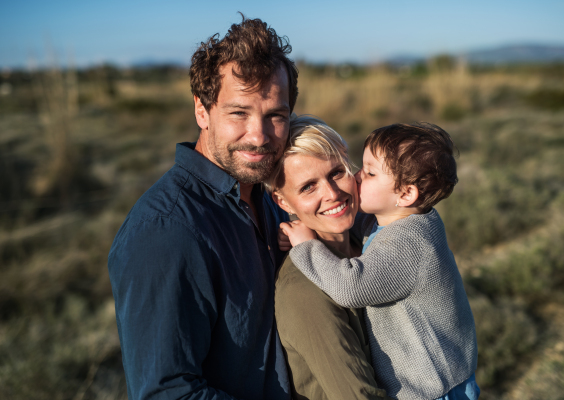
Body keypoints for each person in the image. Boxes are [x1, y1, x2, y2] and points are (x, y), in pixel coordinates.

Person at [108, 16, 298, 399]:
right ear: (202, 110)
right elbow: (168, 393)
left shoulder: (273, 198)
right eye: (239, 113)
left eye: (275, 115)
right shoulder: (165, 231)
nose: (259, 135)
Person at [280, 123, 479, 400]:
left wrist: (307, 247)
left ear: (406, 194)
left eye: (370, 173)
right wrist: (306, 225)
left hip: (433, 390)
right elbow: (355, 220)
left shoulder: (408, 244)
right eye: (360, 168)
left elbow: (350, 288)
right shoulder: (403, 219)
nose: (358, 177)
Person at [265, 116, 389, 400]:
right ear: (282, 201)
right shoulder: (304, 291)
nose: (332, 194)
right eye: (308, 187)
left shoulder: (371, 242)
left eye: (336, 173)